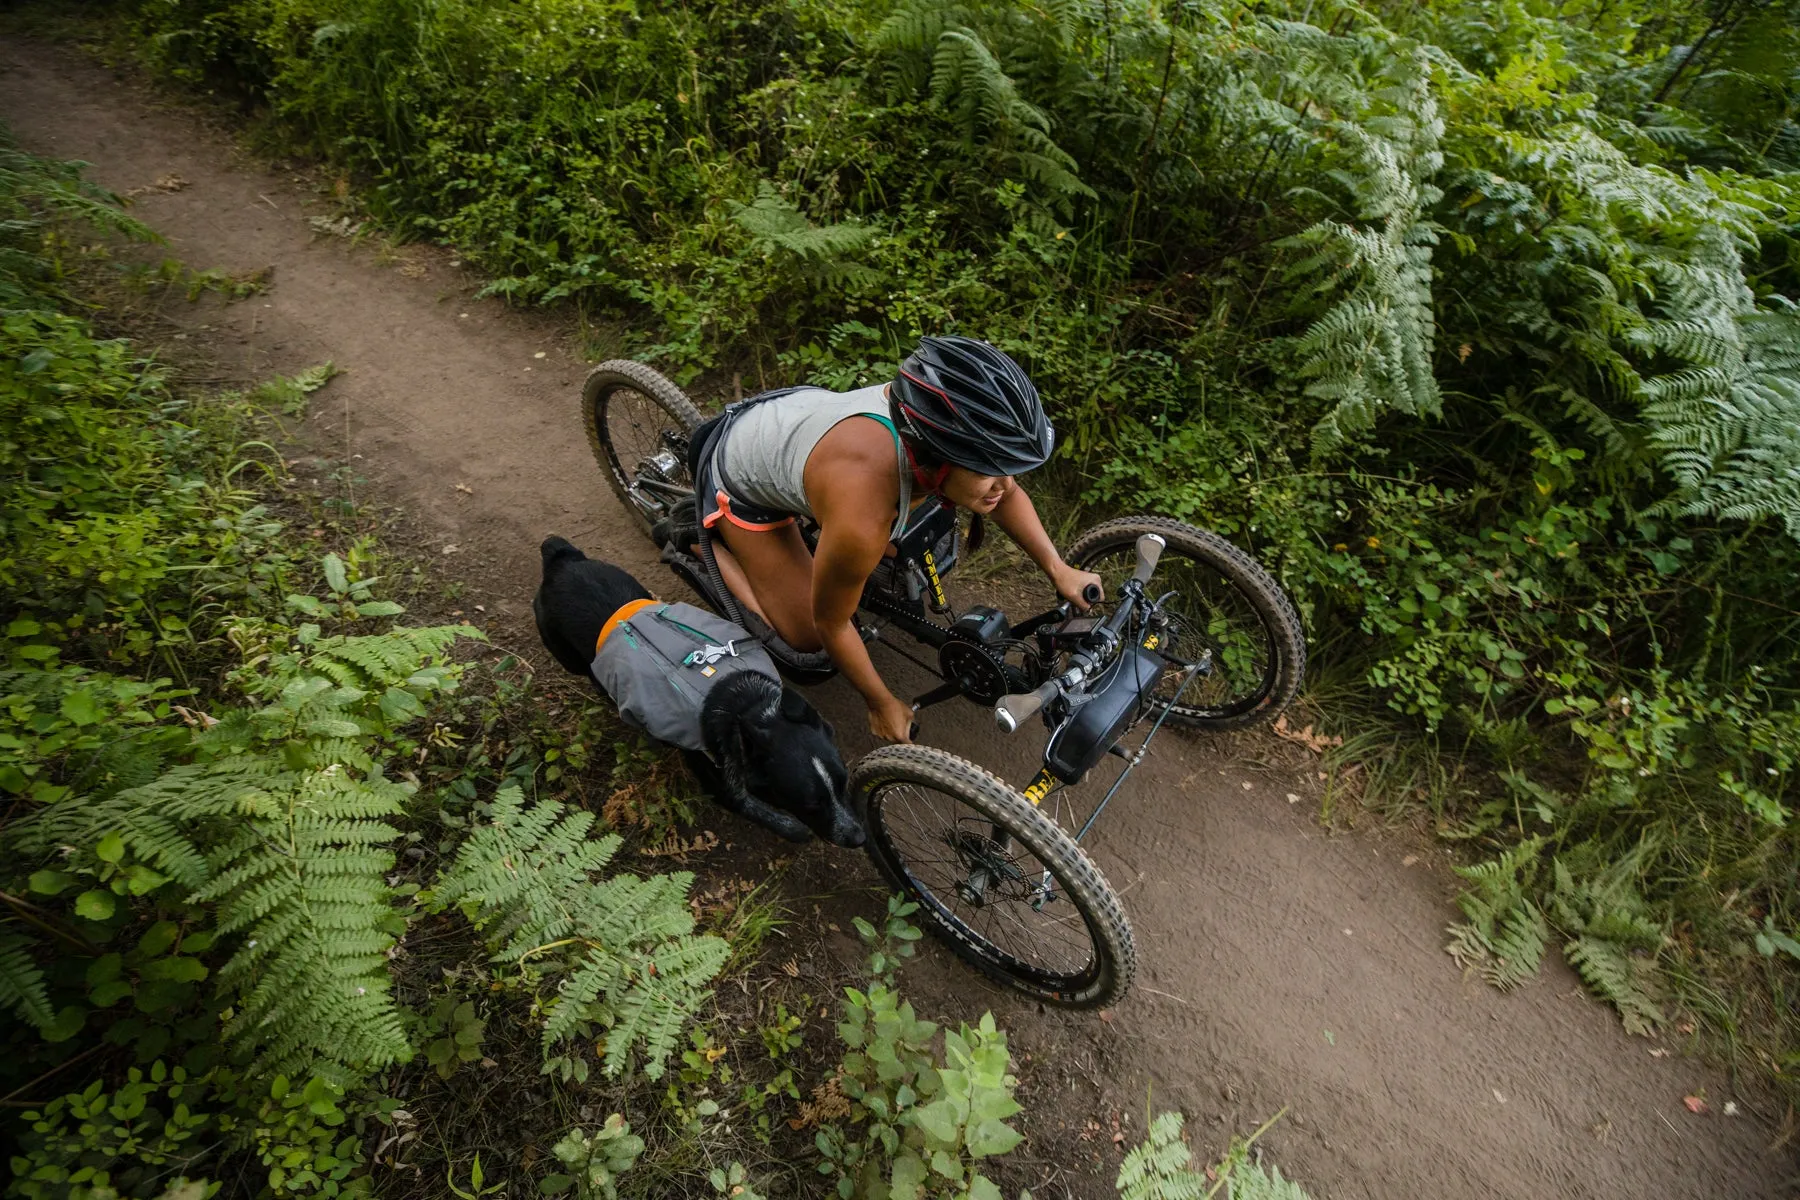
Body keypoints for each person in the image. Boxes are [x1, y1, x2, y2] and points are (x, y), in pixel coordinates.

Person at [685, 335, 1103, 744]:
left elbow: (1007, 493)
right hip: (742, 480)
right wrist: (880, 702)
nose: (1005, 484)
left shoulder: (924, 418)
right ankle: (703, 544)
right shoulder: (863, 513)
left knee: (878, 555)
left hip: (793, 426)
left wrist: (1058, 568)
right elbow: (829, 622)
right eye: (989, 470)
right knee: (809, 644)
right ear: (936, 456)